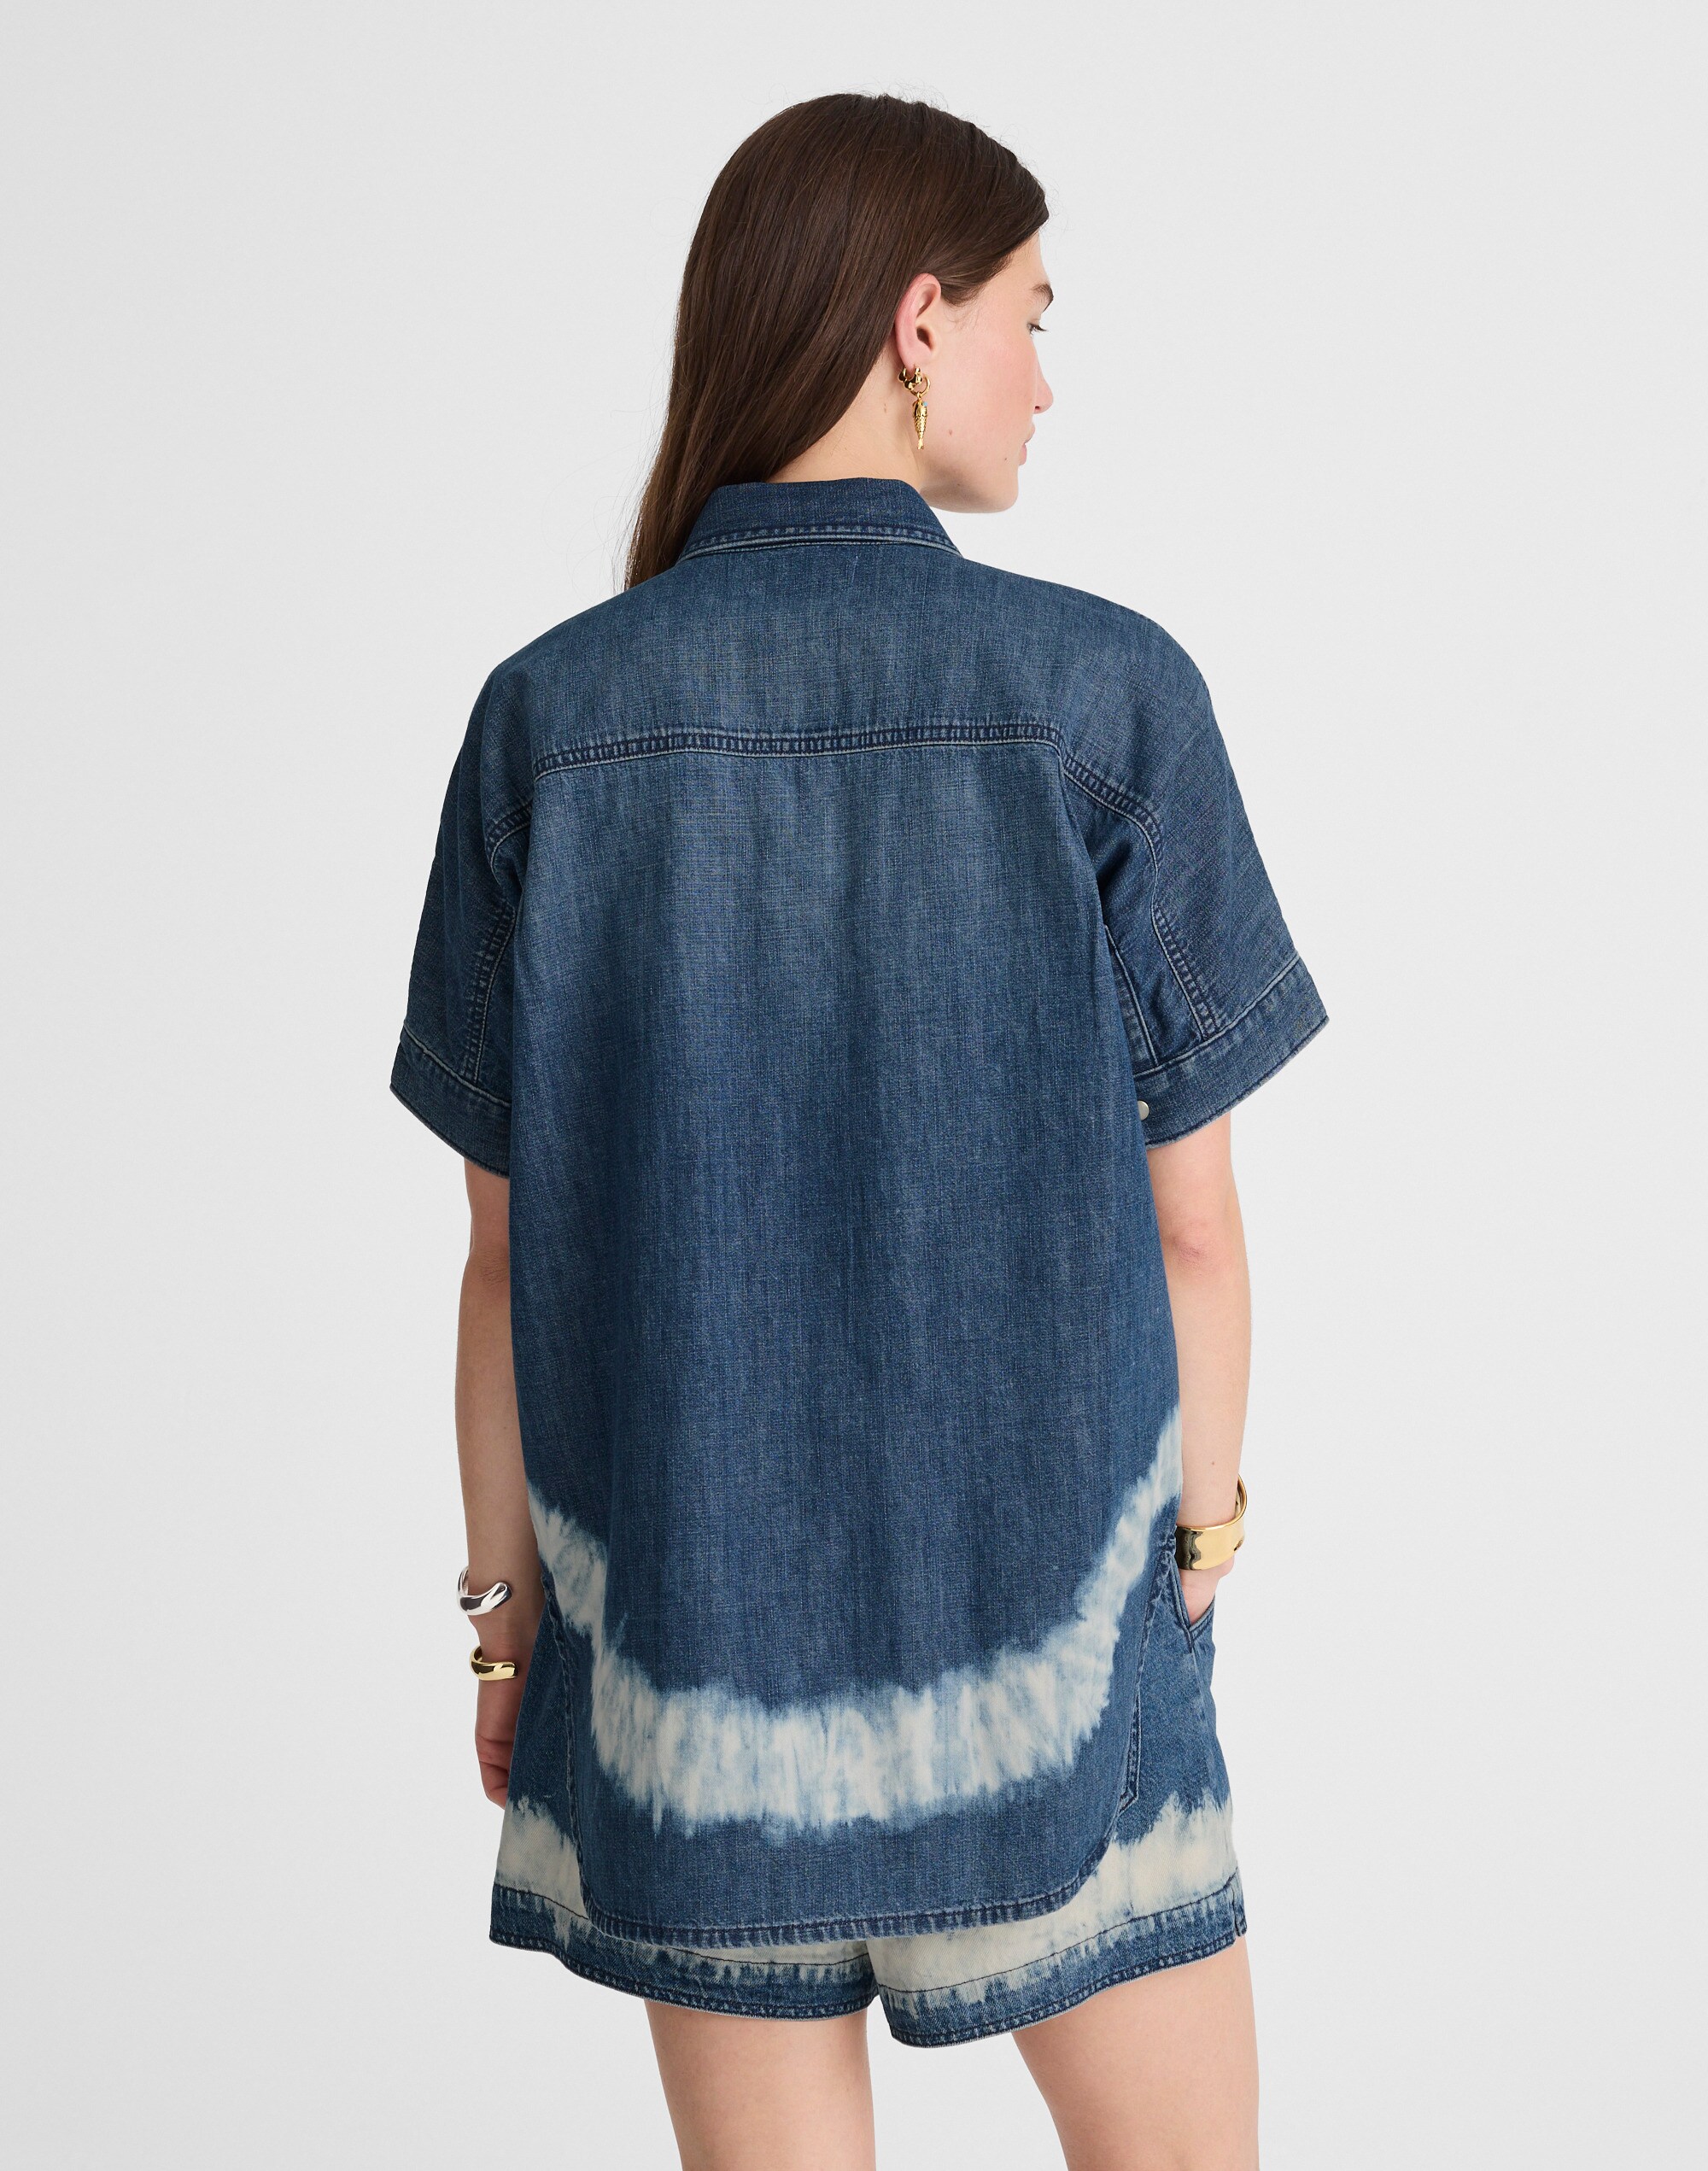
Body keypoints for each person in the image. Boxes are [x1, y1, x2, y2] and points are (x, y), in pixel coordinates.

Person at [389, 91, 1328, 2171]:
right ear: (919, 322)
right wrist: (1196, 1554)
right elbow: (1193, 1233)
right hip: (1056, 1649)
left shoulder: (548, 718)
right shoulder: (1106, 695)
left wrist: (511, 1622)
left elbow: (503, 1257)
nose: (1043, 377)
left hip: (684, 1669)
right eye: (1028, 316)